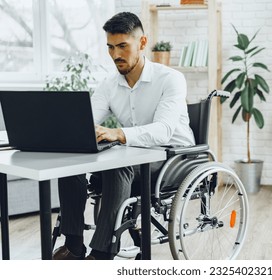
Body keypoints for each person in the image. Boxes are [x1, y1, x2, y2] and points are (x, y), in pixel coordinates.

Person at [53, 11, 195, 260]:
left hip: (174, 156)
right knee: (71, 164)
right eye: (110, 47)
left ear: (141, 43)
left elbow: (164, 130)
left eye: (122, 46)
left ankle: (101, 255)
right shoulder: (109, 84)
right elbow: (87, 122)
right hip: (133, 154)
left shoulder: (170, 79)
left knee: (119, 165)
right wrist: (71, 132)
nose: (115, 55)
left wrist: (118, 134)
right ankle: (73, 243)